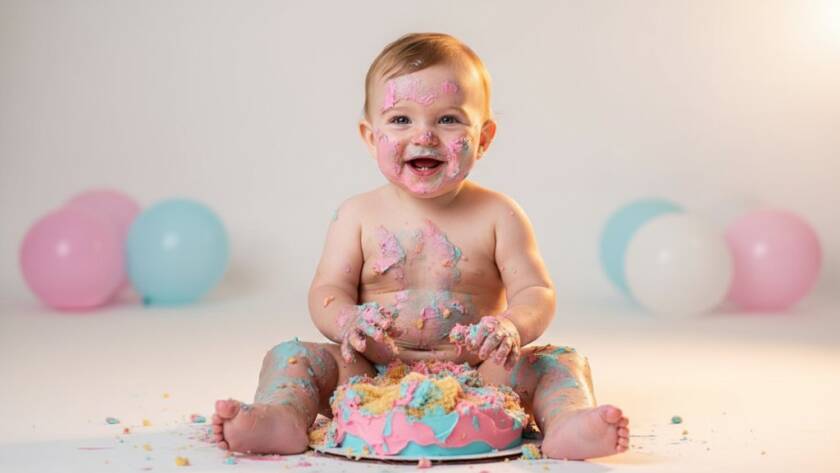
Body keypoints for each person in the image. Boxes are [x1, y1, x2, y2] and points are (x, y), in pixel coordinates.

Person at [212, 32, 630, 460]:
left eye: (448, 119)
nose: (424, 135)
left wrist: (511, 326)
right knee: (291, 356)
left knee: (559, 361)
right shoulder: (357, 215)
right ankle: (281, 417)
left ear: (484, 138)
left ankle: (567, 421)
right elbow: (327, 290)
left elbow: (536, 291)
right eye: (400, 119)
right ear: (370, 137)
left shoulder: (499, 215)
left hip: (483, 374)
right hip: (367, 373)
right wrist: (346, 320)